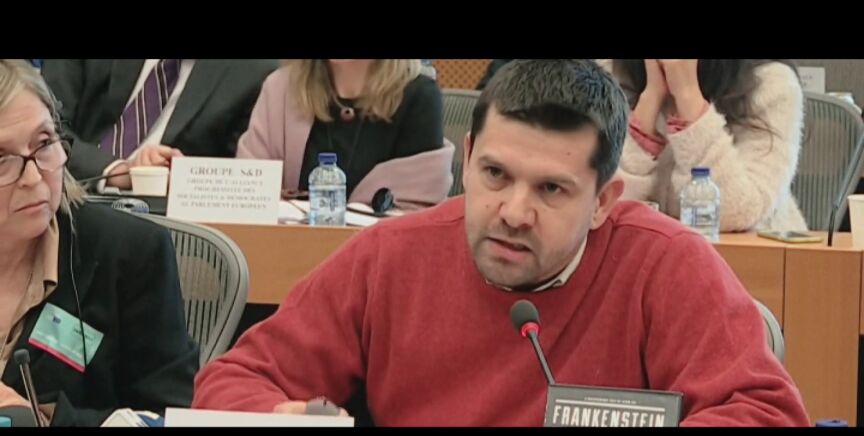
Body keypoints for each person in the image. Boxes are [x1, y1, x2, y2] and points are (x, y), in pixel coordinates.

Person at [192, 59, 809, 426]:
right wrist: (278, 416)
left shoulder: (665, 264)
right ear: (465, 158)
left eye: (551, 189)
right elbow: (235, 381)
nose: (513, 213)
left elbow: (765, 411)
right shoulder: (389, 258)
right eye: (494, 175)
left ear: (603, 200)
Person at [0, 60, 198, 426]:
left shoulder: (130, 254)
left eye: (44, 144)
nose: (33, 177)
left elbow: (168, 416)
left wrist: (43, 420)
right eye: (1, 159)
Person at [607, 59, 807, 231]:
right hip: (650, 254)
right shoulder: (608, 75)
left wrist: (687, 95)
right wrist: (650, 100)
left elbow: (735, 213)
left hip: (751, 256)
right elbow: (602, 208)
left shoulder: (772, 82)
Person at [237, 59, 453, 208]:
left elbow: (417, 209)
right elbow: (249, 195)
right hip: (288, 251)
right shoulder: (281, 89)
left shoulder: (420, 97)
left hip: (381, 255)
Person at [41, 59, 277, 191]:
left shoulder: (254, 72)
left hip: (165, 224)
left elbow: (237, 181)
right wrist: (116, 170)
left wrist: (181, 173)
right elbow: (45, 129)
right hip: (63, 192)